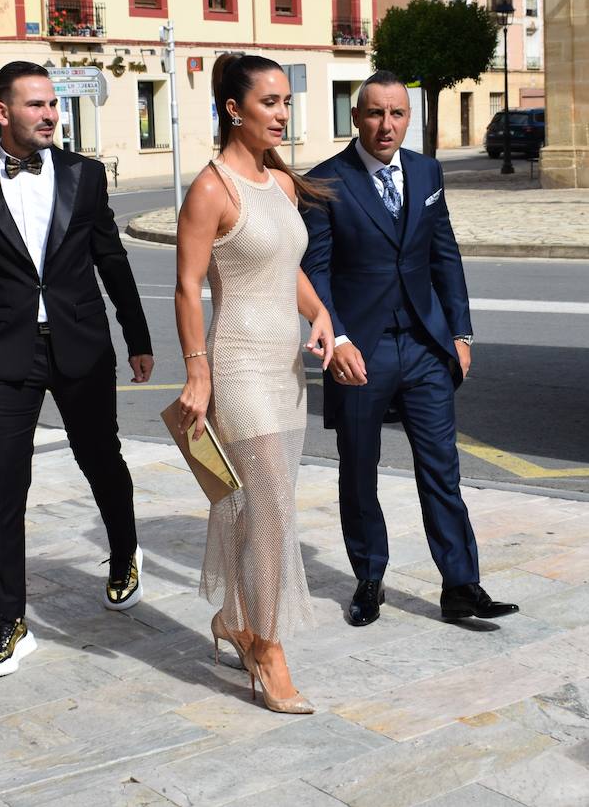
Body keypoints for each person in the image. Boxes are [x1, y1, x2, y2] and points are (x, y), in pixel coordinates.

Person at [0, 61, 154, 678]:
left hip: (81, 344)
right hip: (7, 351)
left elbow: (111, 257)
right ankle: (8, 621)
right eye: (37, 105)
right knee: (4, 484)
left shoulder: (85, 174)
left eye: (53, 104)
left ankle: (124, 550)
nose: (51, 114)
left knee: (101, 458)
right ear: (3, 113)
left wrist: (137, 335)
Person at [300, 71, 519, 627]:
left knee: (442, 469)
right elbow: (315, 272)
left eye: (397, 114)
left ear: (408, 118)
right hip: (360, 352)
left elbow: (445, 255)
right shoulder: (325, 182)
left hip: (425, 345)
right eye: (375, 113)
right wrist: (338, 338)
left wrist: (460, 334)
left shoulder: (426, 171)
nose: (386, 125)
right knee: (359, 470)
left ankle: (461, 585)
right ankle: (369, 578)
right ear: (356, 117)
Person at [174, 53, 335, 714]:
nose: (281, 113)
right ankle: (267, 649)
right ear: (233, 109)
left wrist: (321, 312)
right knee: (269, 507)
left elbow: (284, 266)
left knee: (259, 508)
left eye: (284, 102)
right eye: (268, 102)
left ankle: (236, 623)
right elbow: (187, 285)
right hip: (237, 363)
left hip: (285, 367)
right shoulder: (211, 189)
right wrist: (197, 369)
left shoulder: (281, 183)